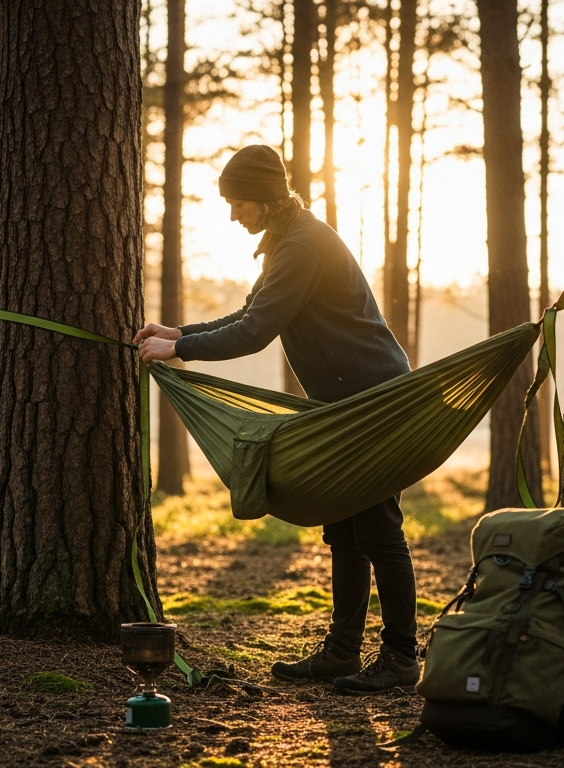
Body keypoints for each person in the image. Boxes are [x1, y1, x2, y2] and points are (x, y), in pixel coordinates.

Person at [135, 144, 419, 694]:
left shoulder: (303, 246)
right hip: (342, 404)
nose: (232, 213)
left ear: (263, 197)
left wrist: (181, 352)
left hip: (373, 400)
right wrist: (179, 334)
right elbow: (246, 313)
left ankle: (402, 657)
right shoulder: (287, 243)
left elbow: (254, 332)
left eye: (237, 202)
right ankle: (341, 653)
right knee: (344, 529)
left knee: (379, 531)